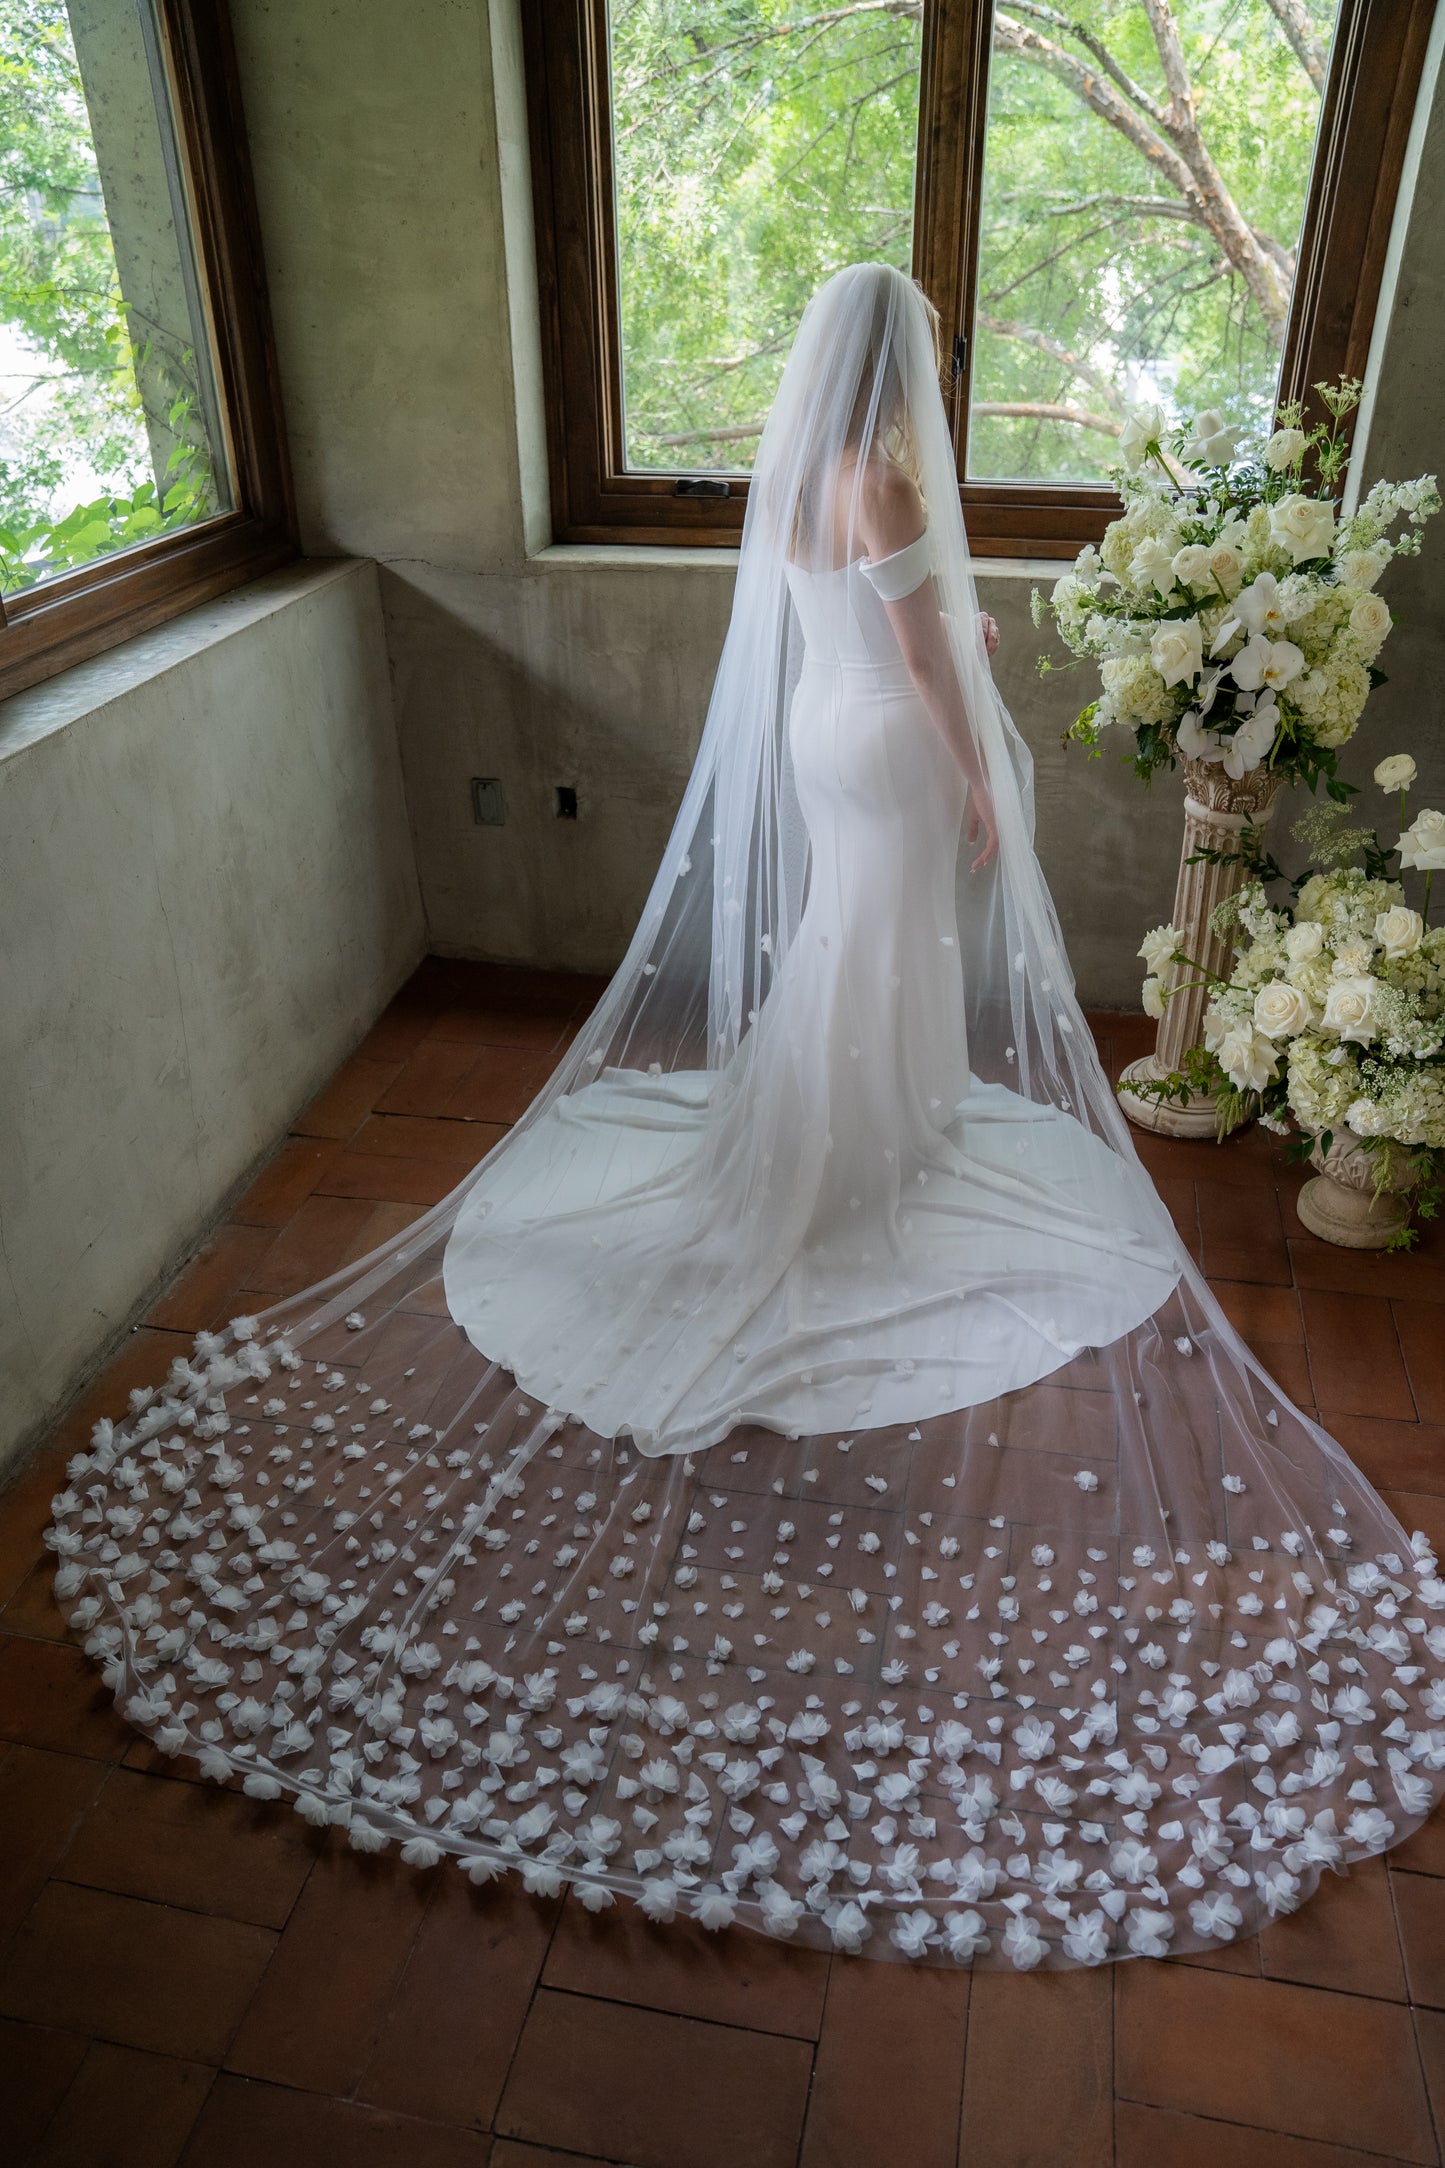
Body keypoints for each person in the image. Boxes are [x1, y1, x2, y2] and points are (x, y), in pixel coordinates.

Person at [49, 265, 1445, 1970]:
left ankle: (847, 1129)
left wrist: (933, 651)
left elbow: (852, 615)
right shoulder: (900, 475)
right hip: (893, 746)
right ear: (903, 365)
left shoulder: (801, 471)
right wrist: (977, 763)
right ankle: (855, 1154)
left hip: (815, 732)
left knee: (852, 945)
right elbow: (927, 640)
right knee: (886, 937)